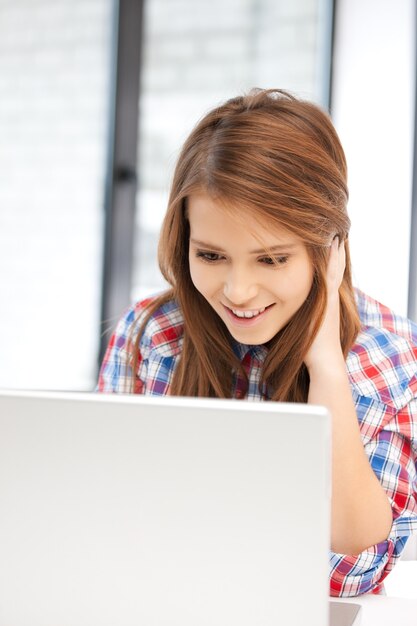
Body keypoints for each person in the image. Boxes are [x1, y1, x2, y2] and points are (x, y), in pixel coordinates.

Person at [98, 88, 417, 597]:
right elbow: (109, 529)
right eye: (210, 256)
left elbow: (351, 567)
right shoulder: (151, 336)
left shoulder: (387, 355)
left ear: (328, 248)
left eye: (271, 259)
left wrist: (328, 368)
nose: (238, 292)